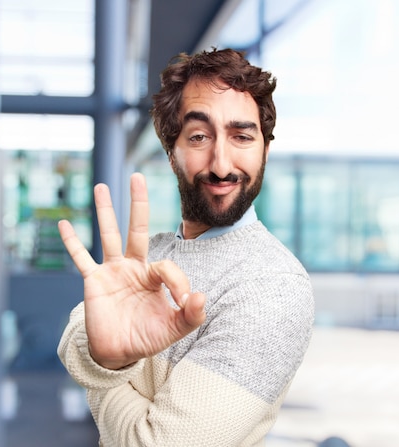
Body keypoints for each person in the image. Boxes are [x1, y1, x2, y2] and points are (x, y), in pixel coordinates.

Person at [57, 48, 314, 446]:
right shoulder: (151, 255)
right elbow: (71, 341)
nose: (221, 164)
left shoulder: (274, 285)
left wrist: (106, 371)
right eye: (198, 136)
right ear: (170, 149)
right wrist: (107, 356)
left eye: (242, 136)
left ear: (265, 149)